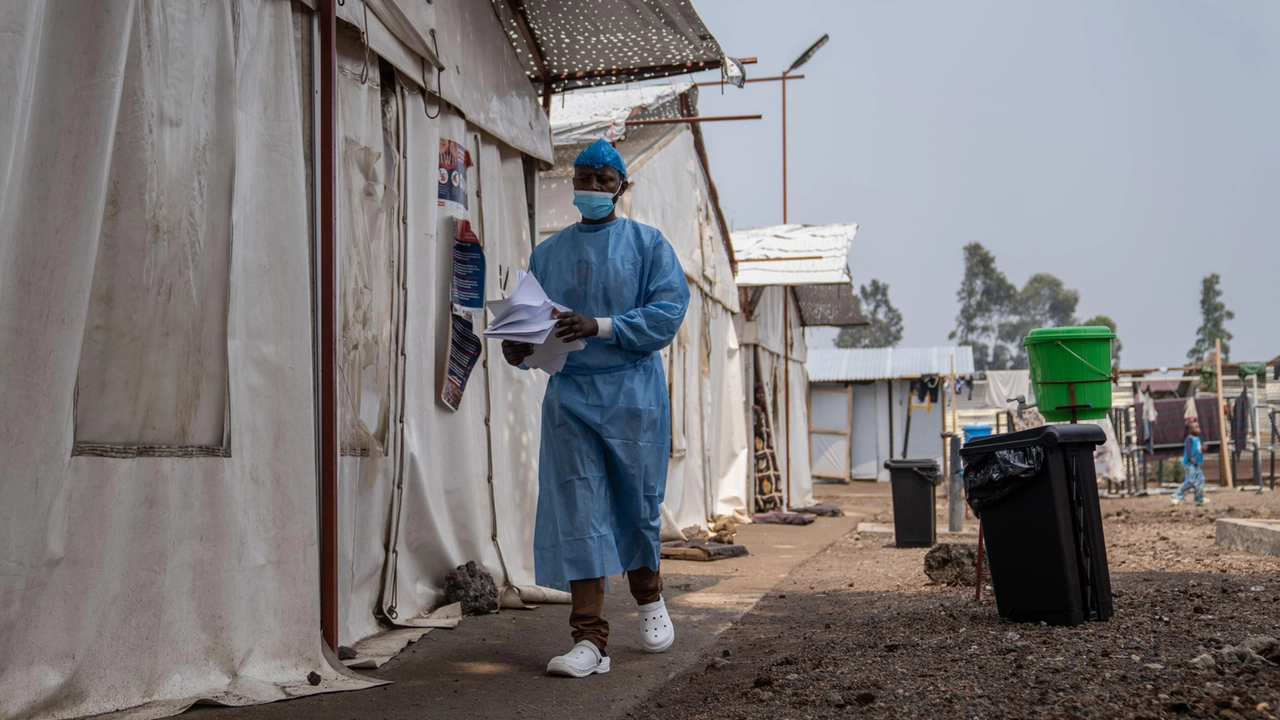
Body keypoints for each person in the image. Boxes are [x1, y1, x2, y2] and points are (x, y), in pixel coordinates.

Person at [501, 139, 690, 678]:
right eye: (584, 178)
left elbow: (665, 315)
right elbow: (533, 333)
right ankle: (589, 641)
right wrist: (519, 350)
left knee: (637, 505)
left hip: (634, 397)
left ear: (621, 188)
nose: (592, 188)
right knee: (579, 513)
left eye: (604, 180)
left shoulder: (649, 244)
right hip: (572, 400)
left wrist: (599, 324)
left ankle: (649, 598)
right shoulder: (547, 253)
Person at [1171, 417, 1208, 505]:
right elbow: (1188, 449)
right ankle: (1177, 496)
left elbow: (1204, 446)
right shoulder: (1189, 439)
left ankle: (1199, 498)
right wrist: (1190, 457)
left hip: (1196, 464)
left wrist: (1204, 447)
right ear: (1190, 430)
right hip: (1189, 464)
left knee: (1200, 479)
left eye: (1198, 427)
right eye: (1196, 427)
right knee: (1190, 480)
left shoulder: (1199, 439)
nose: (1199, 429)